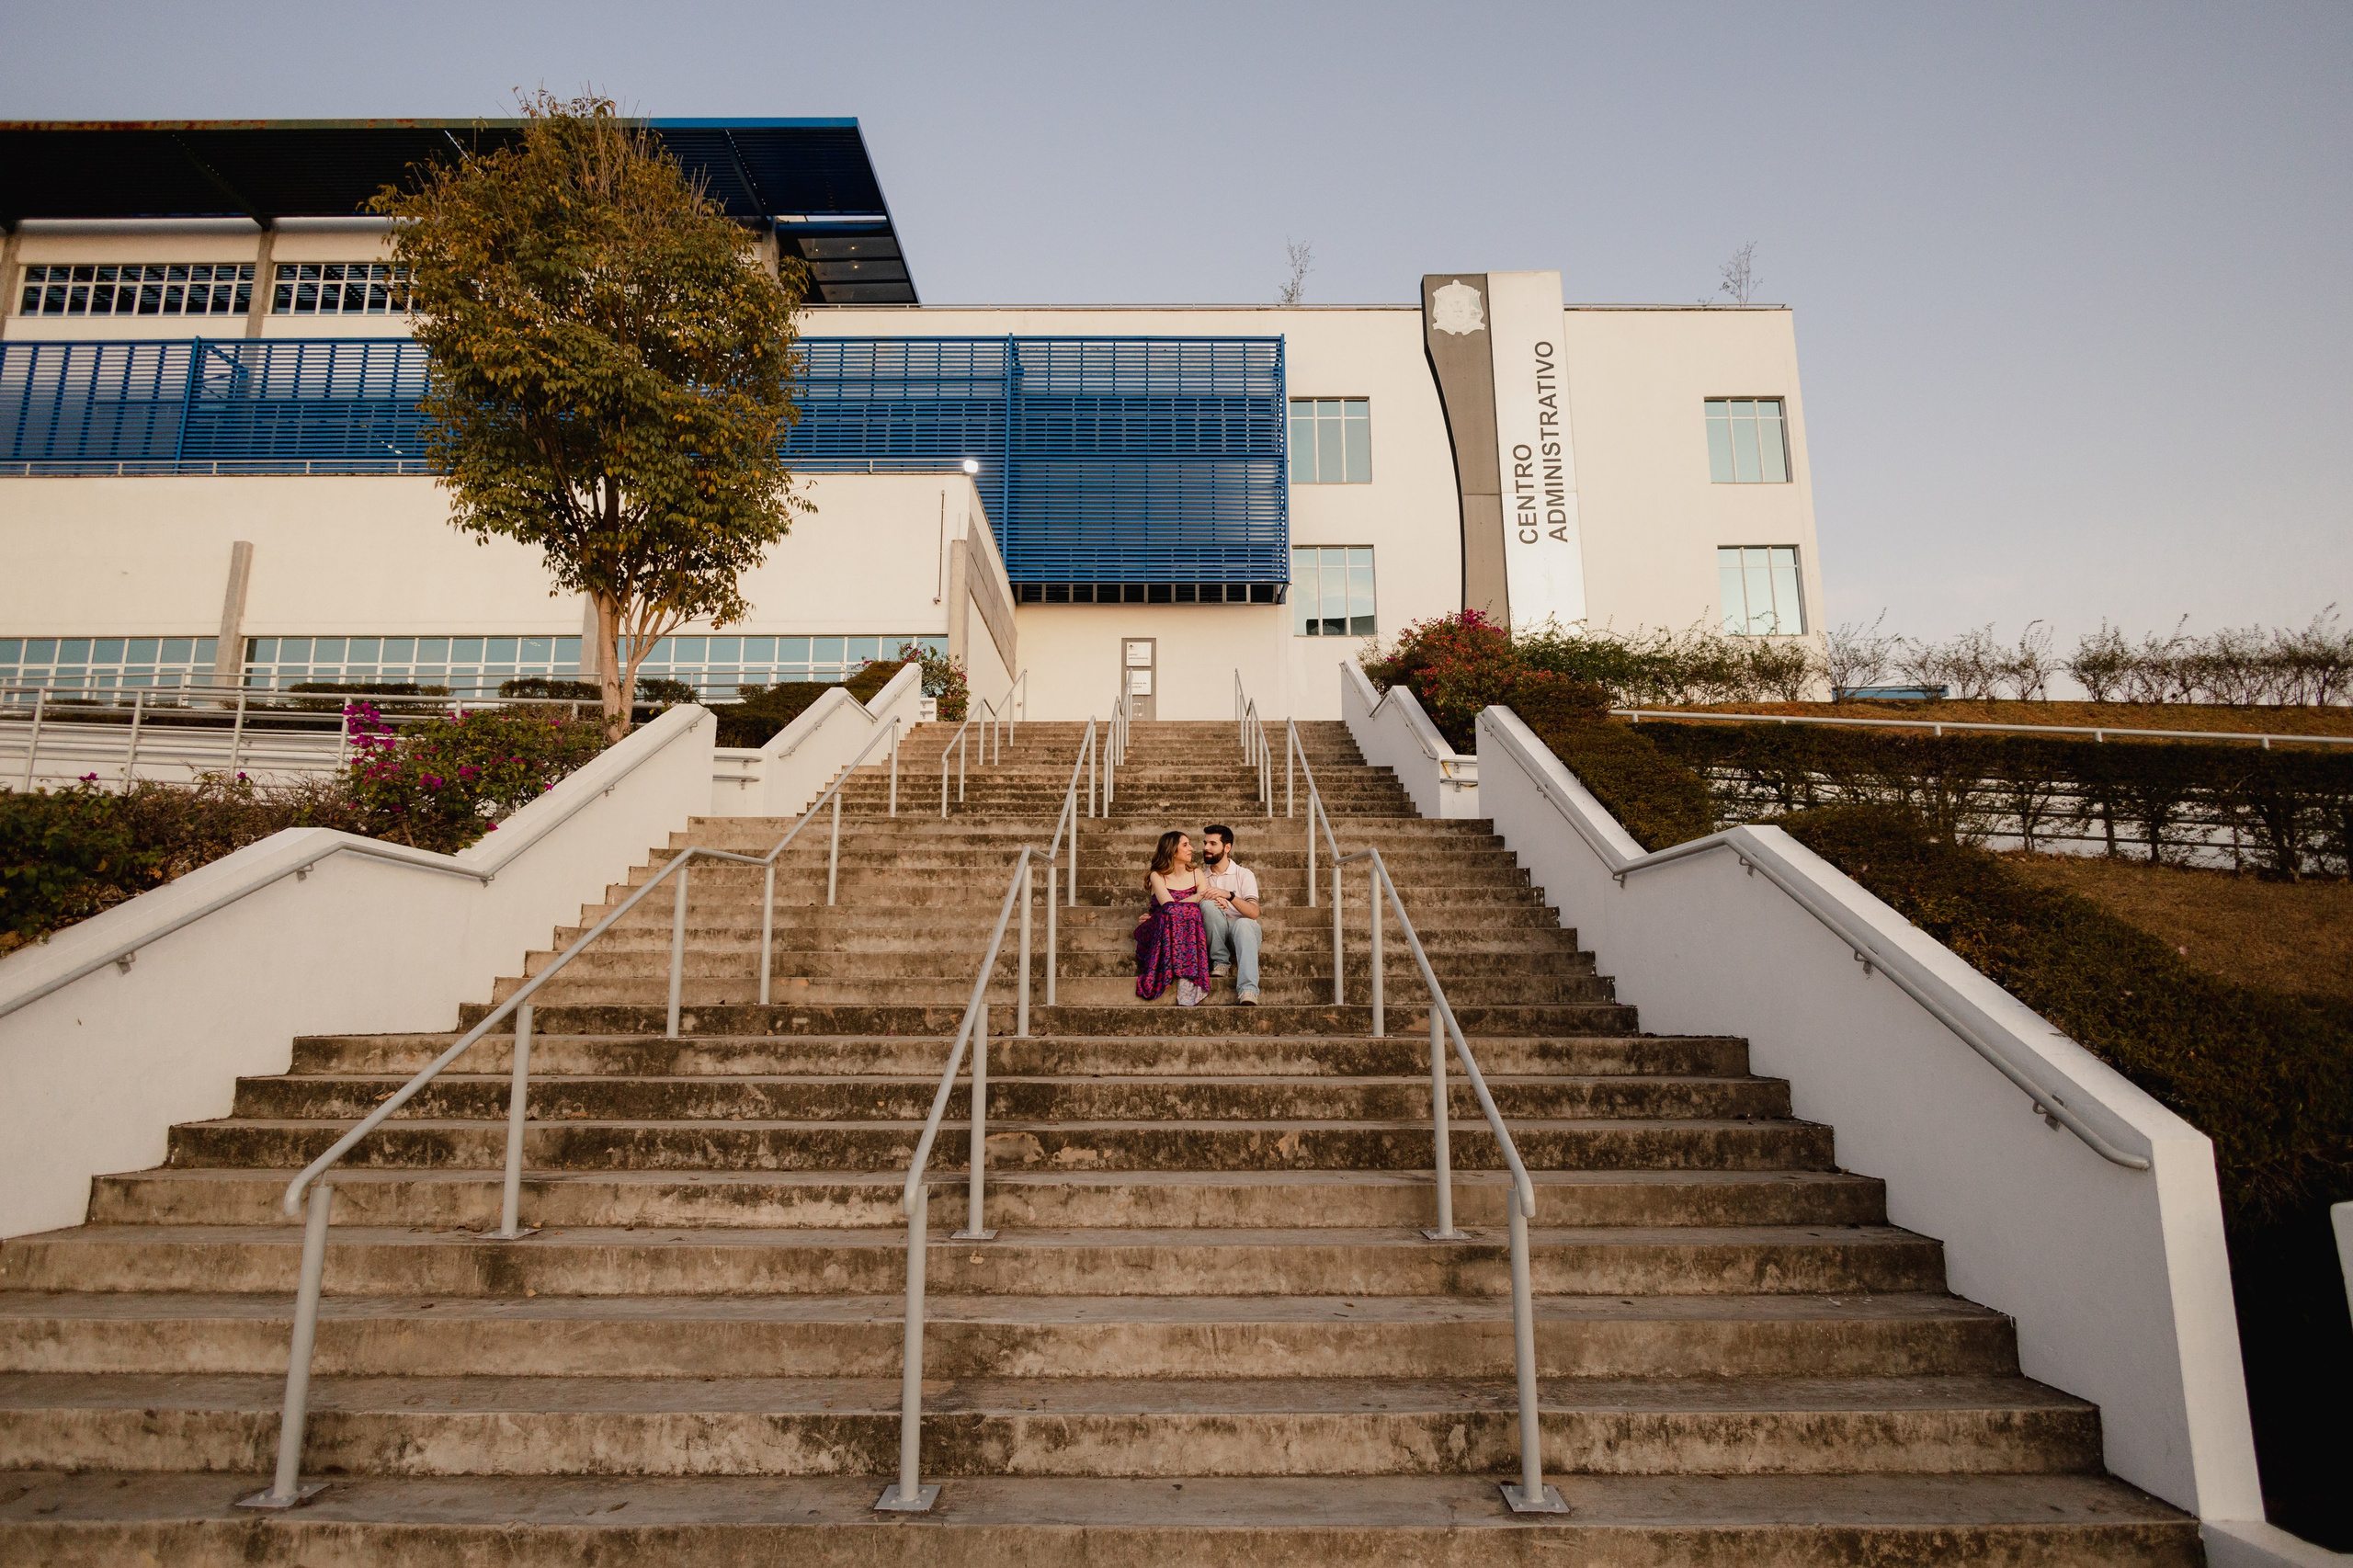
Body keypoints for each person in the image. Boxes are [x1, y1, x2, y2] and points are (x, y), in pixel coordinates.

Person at [1134, 829, 1211, 1006]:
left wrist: (1201, 898)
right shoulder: (1157, 875)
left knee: (1193, 912)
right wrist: (1199, 896)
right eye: (1185, 845)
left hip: (1184, 927)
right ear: (1172, 850)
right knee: (1178, 912)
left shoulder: (1196, 873)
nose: (1191, 848)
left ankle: (1188, 974)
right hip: (1160, 927)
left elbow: (1201, 903)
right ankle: (1183, 969)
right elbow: (1168, 906)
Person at [1199, 824, 1263, 1006]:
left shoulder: (1244, 874)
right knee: (1208, 905)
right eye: (1205, 843)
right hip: (1214, 932)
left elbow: (1254, 912)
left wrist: (1229, 896)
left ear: (1227, 848)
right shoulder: (1201, 877)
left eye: (1212, 844)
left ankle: (1248, 990)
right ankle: (1220, 962)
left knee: (1244, 923)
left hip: (1243, 933)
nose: (1206, 848)